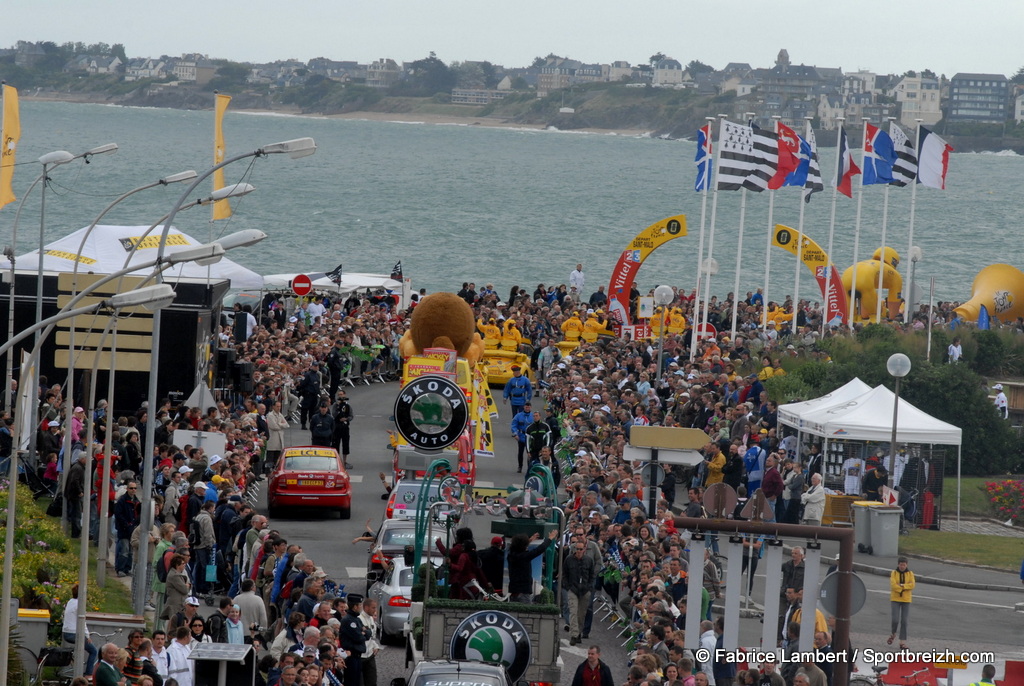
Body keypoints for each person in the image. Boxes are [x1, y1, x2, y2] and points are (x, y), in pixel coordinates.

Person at [507, 529, 557, 603]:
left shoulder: (511, 555)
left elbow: (517, 547)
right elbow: (539, 549)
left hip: (513, 592)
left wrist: (529, 541)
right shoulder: (524, 556)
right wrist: (550, 539)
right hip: (523, 593)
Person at [563, 536, 596, 646]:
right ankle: (574, 634)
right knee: (573, 611)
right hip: (573, 589)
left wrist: (589, 587)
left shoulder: (589, 560)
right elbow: (565, 574)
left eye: (581, 549)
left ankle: (579, 633)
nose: (578, 551)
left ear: (584, 549)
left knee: (581, 614)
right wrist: (568, 586)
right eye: (577, 549)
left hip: (585, 590)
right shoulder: (569, 559)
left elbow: (592, 575)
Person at [63, 583, 97, 676]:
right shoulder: (79, 604)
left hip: (66, 632)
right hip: (74, 634)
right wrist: (87, 635)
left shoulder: (70, 601)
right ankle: (88, 674)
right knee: (93, 651)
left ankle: (78, 668)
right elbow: (82, 621)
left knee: (82, 649)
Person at [114, 480, 141, 577]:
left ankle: (127, 569)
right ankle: (120, 569)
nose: (133, 490)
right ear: (127, 489)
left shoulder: (136, 501)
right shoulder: (122, 500)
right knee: (124, 551)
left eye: (135, 488)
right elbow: (118, 515)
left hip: (133, 530)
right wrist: (127, 524)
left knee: (130, 552)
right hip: (124, 530)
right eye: (131, 488)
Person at [888, 556, 915, 650]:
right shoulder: (894, 573)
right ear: (898, 564)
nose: (902, 566)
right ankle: (893, 633)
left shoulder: (910, 574)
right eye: (901, 565)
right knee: (895, 619)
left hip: (906, 600)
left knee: (904, 621)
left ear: (906, 565)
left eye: (904, 565)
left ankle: (902, 642)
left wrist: (902, 586)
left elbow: (912, 585)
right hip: (895, 599)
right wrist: (904, 587)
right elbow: (893, 585)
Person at [332, 390, 353, 467]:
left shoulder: (348, 405)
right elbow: (333, 414)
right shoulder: (335, 405)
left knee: (346, 444)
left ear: (344, 395)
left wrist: (346, 419)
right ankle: (337, 460)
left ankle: (344, 461)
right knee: (336, 443)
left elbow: (351, 415)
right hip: (337, 427)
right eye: (339, 395)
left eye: (341, 394)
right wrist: (338, 407)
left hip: (345, 427)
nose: (340, 396)